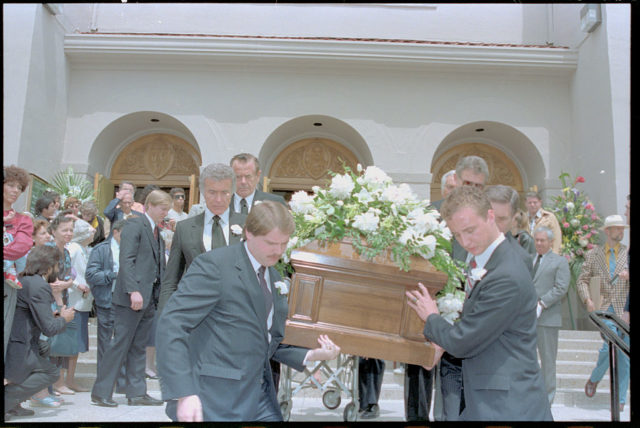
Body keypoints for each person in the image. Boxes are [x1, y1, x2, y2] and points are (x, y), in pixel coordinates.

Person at [156, 201, 341, 422]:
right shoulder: (214, 266)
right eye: (271, 243)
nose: (278, 251)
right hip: (215, 400)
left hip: (260, 397)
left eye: (284, 243)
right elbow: (172, 325)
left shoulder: (272, 275)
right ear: (249, 233)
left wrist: (312, 355)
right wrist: (184, 393)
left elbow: (264, 338)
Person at [407, 186, 552, 421]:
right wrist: (440, 345)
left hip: (508, 406)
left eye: (470, 230)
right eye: (457, 235)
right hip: (485, 398)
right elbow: (484, 325)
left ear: (490, 216)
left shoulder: (507, 274)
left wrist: (431, 316)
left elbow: (463, 341)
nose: (464, 241)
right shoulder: (486, 260)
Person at [91, 190, 172, 408]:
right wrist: (132, 290)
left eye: (167, 209)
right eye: (162, 208)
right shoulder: (134, 224)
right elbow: (126, 259)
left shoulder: (156, 230)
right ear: (150, 206)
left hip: (149, 298)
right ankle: (101, 392)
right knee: (119, 344)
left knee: (139, 347)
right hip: (131, 298)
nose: (165, 213)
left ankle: (136, 392)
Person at [431, 155, 490, 421]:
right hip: (439, 314)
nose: (472, 190)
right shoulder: (433, 216)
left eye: (479, 186)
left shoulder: (490, 222)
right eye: (468, 183)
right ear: (456, 180)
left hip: (477, 323)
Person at [158, 164, 247, 313]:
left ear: (232, 192)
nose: (218, 199)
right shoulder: (184, 228)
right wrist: (164, 319)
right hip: (195, 314)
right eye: (212, 192)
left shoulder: (248, 225)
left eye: (224, 192)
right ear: (203, 192)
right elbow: (171, 281)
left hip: (236, 315)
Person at [4, 246, 75, 421]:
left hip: (20, 338)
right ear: (49, 266)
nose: (58, 270)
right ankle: (7, 400)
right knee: (51, 373)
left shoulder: (27, 280)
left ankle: (14, 406)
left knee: (43, 347)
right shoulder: (39, 285)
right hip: (19, 344)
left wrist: (54, 314)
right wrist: (65, 318)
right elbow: (49, 329)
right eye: (57, 265)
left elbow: (36, 316)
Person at [578, 214, 630, 412]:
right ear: (607, 231)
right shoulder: (593, 255)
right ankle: (596, 378)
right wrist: (587, 299)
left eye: (622, 228)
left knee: (624, 353)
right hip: (603, 310)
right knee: (613, 341)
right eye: (617, 228)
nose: (621, 232)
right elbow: (582, 280)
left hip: (624, 310)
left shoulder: (628, 253)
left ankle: (620, 398)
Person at [85, 219, 128, 391]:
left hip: (125, 302)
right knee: (104, 343)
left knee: (124, 342)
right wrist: (113, 274)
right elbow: (91, 275)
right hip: (106, 301)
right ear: (116, 232)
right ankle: (104, 384)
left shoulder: (132, 250)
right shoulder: (101, 249)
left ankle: (122, 382)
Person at [531, 226, 570, 405]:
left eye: (542, 240)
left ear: (550, 242)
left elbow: (561, 287)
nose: (539, 243)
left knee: (547, 363)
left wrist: (542, 303)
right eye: (536, 240)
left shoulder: (559, 261)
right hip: (526, 320)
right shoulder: (530, 259)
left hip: (547, 319)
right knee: (528, 361)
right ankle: (531, 397)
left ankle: (547, 400)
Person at [45, 214, 78, 396]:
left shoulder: (65, 251)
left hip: (61, 299)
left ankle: (57, 383)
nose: (68, 233)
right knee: (50, 343)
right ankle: (49, 385)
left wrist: (67, 284)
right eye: (64, 230)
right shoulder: (47, 250)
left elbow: (66, 277)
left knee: (59, 344)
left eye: (71, 230)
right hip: (47, 301)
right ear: (53, 231)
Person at [4, 165, 34, 356]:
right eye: (11, 185)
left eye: (19, 188)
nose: (15, 191)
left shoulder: (23, 220)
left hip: (8, 283)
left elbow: (20, 248)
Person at [65, 219, 96, 392]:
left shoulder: (83, 249)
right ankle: (66, 380)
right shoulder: (74, 248)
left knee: (76, 345)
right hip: (74, 301)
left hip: (82, 302)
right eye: (89, 231)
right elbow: (67, 270)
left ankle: (70, 379)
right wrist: (78, 285)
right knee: (71, 344)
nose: (93, 233)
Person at [485, 185, 534, 275]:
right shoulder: (461, 241)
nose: (493, 224)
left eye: (501, 219)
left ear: (514, 218)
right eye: (489, 217)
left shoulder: (520, 259)